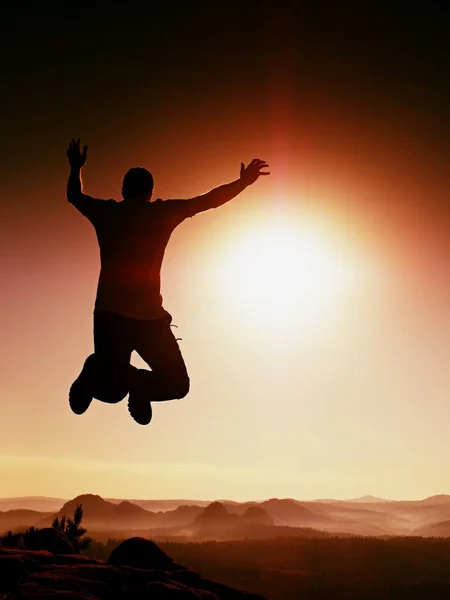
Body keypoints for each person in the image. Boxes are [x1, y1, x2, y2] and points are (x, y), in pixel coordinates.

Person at [66, 138, 269, 425]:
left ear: (124, 191)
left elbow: (74, 196)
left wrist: (75, 168)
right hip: (147, 319)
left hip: (112, 316)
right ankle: (130, 382)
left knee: (112, 392)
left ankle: (110, 376)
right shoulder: (161, 213)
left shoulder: (108, 213)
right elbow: (208, 201)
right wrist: (243, 182)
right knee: (176, 385)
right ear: (151, 192)